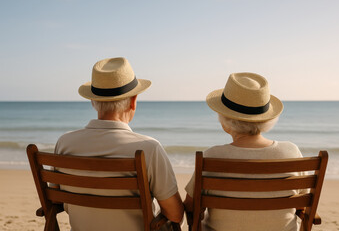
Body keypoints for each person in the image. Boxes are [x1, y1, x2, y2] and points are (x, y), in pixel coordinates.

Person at [55, 57, 184, 231]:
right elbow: (175, 214)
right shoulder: (149, 148)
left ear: (93, 102)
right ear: (133, 101)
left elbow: (56, 200)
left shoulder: (65, 143)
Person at [184, 72, 306, 231]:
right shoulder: (291, 151)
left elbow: (190, 207)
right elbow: (302, 202)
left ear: (225, 119)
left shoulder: (211, 157)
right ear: (266, 117)